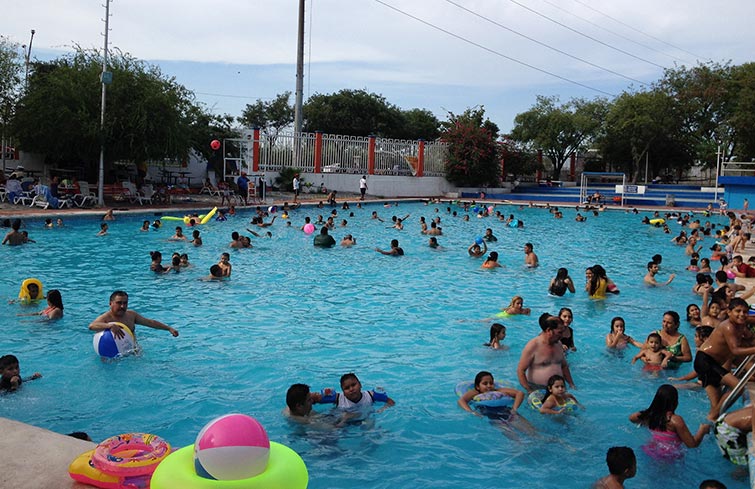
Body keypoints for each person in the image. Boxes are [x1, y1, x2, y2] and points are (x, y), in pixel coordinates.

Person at [695, 298, 755, 420]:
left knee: (716, 406)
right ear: (728, 312)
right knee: (738, 388)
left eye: (745, 312)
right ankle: (713, 420)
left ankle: (709, 426)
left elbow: (749, 337)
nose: (742, 315)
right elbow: (735, 350)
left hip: (714, 363)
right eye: (738, 311)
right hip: (705, 361)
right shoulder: (728, 327)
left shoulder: (741, 323)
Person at [629, 384, 710, 459]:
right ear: (675, 402)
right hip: (669, 456)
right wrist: (702, 431)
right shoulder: (675, 420)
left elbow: (631, 418)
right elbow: (692, 445)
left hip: (650, 450)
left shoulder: (650, 415)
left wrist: (646, 418)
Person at [517, 313, 575, 391]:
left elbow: (564, 366)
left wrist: (572, 384)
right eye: (559, 332)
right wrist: (529, 390)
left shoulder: (559, 344)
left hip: (559, 389)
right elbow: (521, 370)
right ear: (549, 330)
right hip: (538, 388)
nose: (562, 336)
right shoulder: (533, 346)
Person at [88, 290, 179, 340]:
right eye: (119, 303)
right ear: (110, 303)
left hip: (131, 350)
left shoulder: (131, 315)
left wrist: (168, 328)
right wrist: (109, 326)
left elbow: (150, 322)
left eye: (125, 303)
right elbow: (92, 326)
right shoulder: (106, 318)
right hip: (110, 354)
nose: (122, 306)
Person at [457, 371, 524, 420]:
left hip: (505, 410)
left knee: (527, 426)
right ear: (478, 386)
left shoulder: (497, 391)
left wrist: (514, 409)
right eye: (485, 384)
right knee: (509, 432)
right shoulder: (476, 392)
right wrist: (472, 412)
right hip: (487, 413)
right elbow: (461, 401)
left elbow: (520, 393)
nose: (489, 386)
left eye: (491, 383)